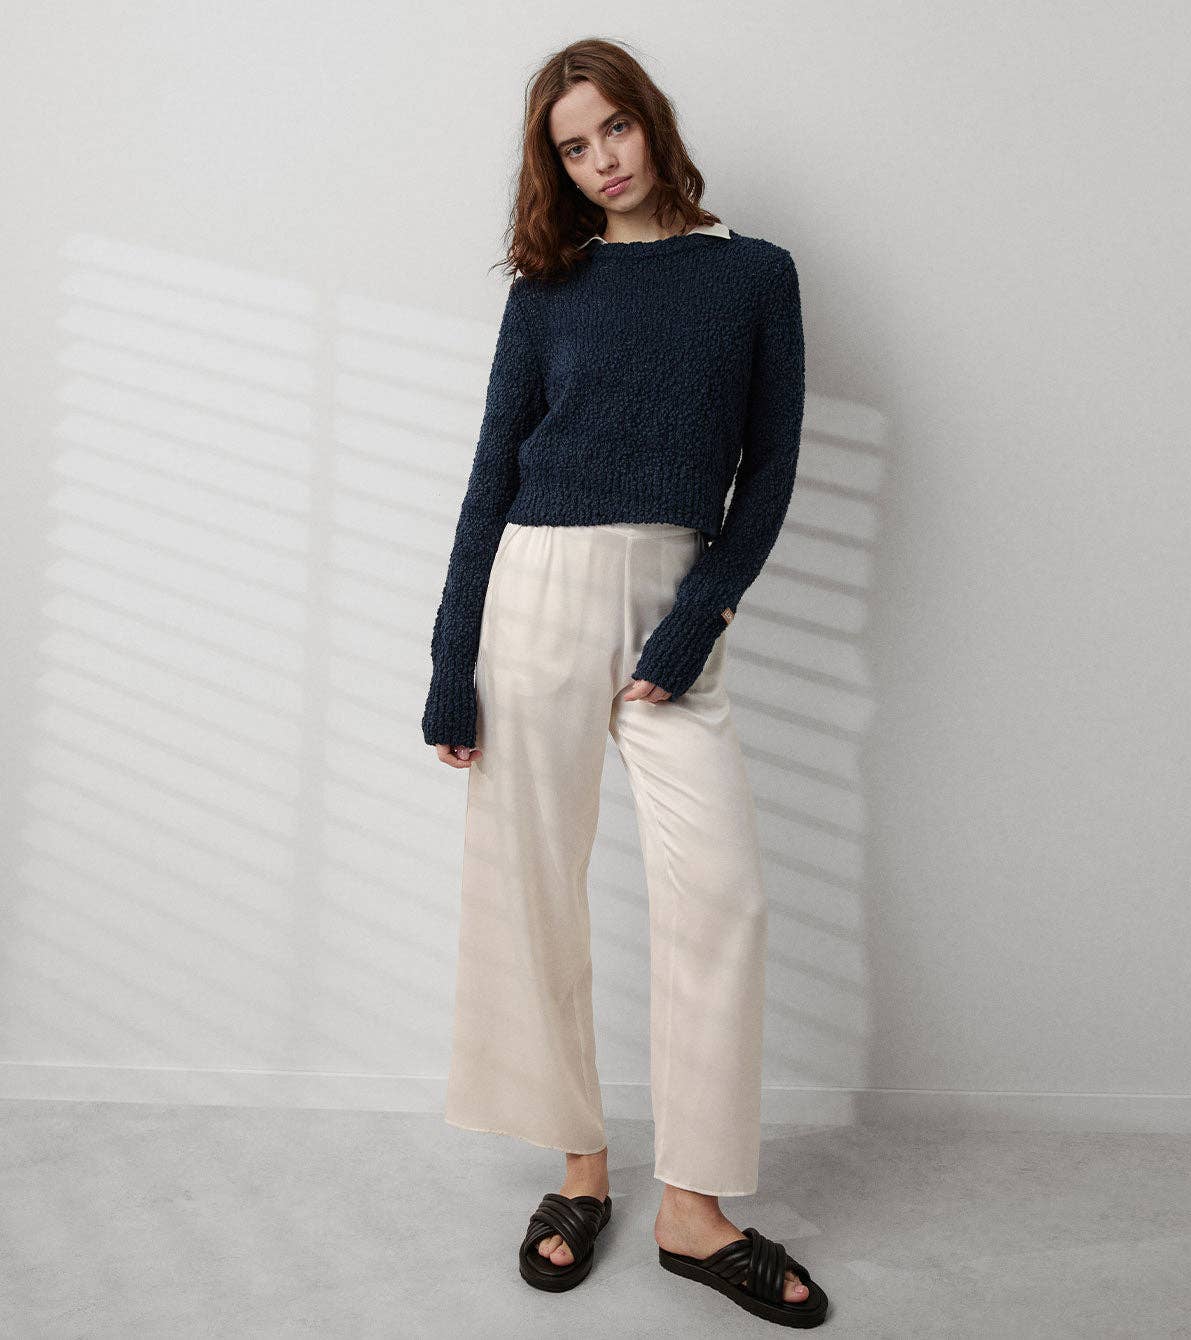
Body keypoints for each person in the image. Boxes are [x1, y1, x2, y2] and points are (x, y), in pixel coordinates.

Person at [422, 38, 828, 1328]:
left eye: (614, 129)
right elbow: (493, 472)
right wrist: (449, 658)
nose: (601, 160)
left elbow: (767, 472)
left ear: (651, 121)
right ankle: (580, 1171)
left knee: (723, 895)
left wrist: (696, 618)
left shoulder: (753, 276)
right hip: (535, 593)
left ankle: (693, 1209)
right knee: (531, 887)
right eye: (572, 146)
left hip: (670, 603)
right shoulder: (550, 289)